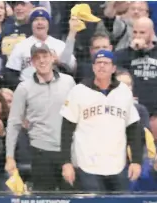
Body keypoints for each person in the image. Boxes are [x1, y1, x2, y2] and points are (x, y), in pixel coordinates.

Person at [60, 50, 142, 193]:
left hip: (117, 164)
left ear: (114, 68)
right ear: (93, 67)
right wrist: (66, 162)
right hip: (87, 165)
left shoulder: (124, 92)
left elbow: (133, 129)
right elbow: (66, 130)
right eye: (98, 63)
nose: (102, 66)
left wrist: (136, 161)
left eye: (106, 63)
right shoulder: (78, 91)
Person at [5, 42, 76, 192]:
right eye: (37, 58)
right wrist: (9, 156)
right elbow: (14, 123)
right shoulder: (24, 88)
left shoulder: (68, 82)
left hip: (68, 152)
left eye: (45, 56)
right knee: (44, 201)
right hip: (41, 152)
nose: (42, 61)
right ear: (31, 62)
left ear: (52, 58)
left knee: (72, 200)